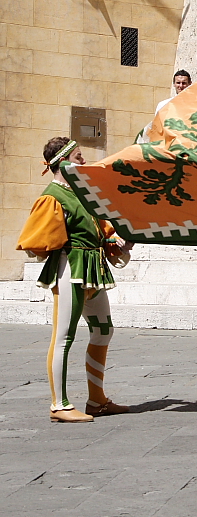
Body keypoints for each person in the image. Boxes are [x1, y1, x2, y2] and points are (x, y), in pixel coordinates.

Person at [16, 137, 132, 422]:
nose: (84, 161)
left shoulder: (83, 193)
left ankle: (97, 400)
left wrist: (117, 241)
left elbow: (101, 228)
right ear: (64, 161)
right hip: (70, 267)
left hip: (93, 268)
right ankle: (60, 404)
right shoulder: (53, 196)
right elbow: (38, 241)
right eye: (79, 156)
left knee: (104, 330)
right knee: (64, 336)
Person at [137, 70, 192, 143]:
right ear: (174, 84)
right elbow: (157, 127)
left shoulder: (195, 105)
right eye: (178, 83)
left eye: (184, 83)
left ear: (190, 84)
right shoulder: (163, 104)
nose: (181, 86)